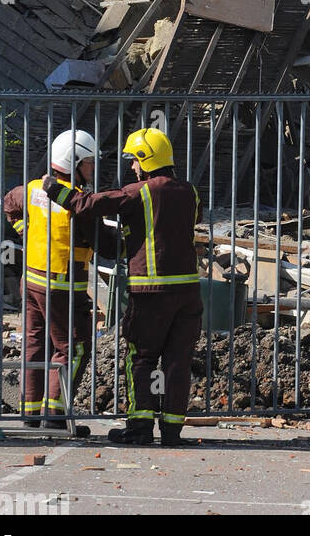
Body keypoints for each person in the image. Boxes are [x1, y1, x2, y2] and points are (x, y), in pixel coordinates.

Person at [44, 127, 203, 447]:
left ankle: (140, 429)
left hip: (150, 294)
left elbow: (88, 204)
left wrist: (54, 189)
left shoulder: (138, 192)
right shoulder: (190, 192)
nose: (132, 167)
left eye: (135, 160)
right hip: (188, 294)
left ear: (146, 159)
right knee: (177, 362)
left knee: (140, 359)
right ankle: (172, 433)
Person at [3, 129, 99, 431]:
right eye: (89, 162)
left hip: (31, 280)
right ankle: (56, 414)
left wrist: (23, 229)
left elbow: (8, 203)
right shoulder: (77, 203)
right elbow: (103, 241)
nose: (93, 168)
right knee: (74, 347)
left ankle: (30, 411)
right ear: (75, 161)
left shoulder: (32, 190)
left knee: (35, 343)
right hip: (62, 286)